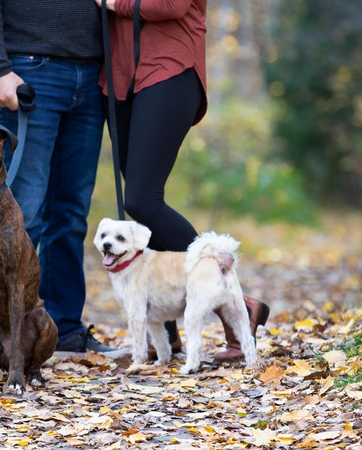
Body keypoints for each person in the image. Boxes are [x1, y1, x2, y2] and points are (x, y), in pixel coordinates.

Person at [96, 0, 269, 363]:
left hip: (168, 69)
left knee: (142, 200)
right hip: (121, 74)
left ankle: (234, 302)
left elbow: (170, 5)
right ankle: (168, 334)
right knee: (143, 207)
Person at [0, 0, 119, 355]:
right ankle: (1, 335)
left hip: (91, 75)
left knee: (70, 213)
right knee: (21, 211)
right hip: (29, 71)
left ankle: (61, 329)